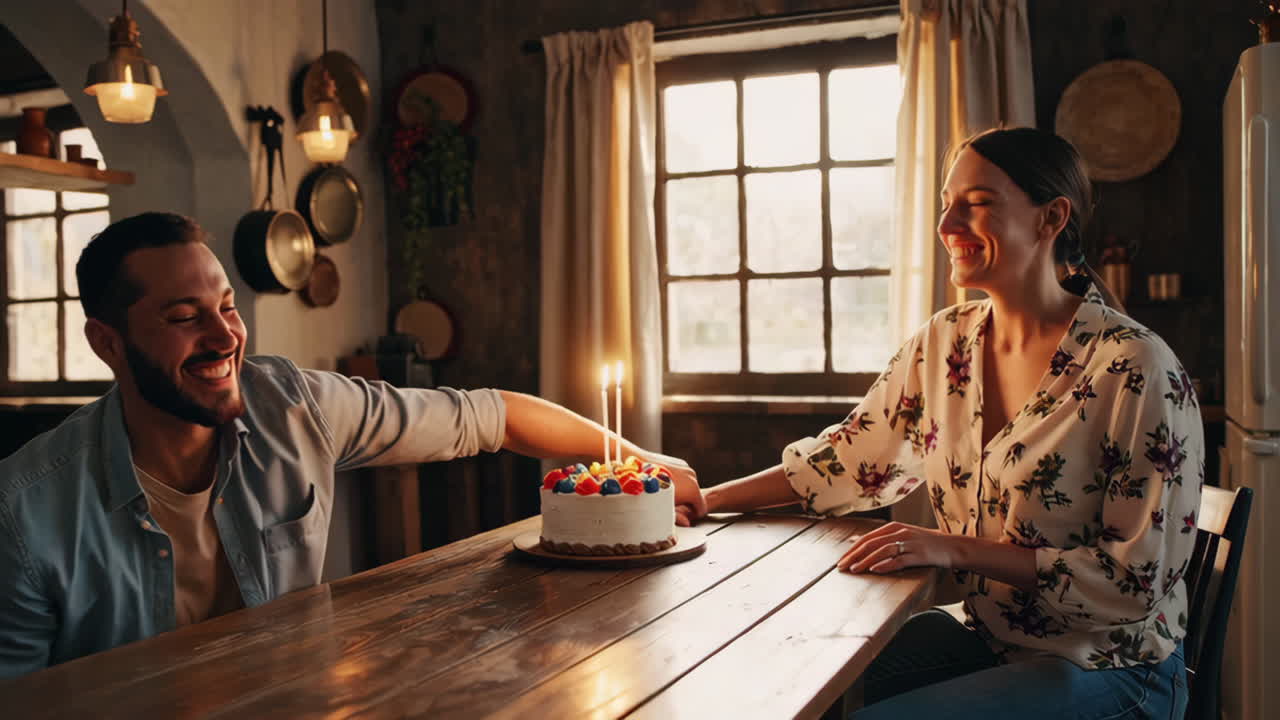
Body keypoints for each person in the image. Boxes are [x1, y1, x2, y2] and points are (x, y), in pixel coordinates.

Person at [0, 212, 704, 679]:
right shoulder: (21, 514)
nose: (222, 339)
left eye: (227, 308)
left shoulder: (295, 404)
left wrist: (644, 460)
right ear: (108, 343)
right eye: (184, 318)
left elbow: (493, 417)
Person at [677, 128, 1200, 719]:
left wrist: (954, 550)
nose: (948, 224)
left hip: (1111, 668)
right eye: (945, 203)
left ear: (1051, 217)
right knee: (792, 675)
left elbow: (1134, 581)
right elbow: (850, 461)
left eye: (976, 204)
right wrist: (707, 500)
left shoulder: (1134, 366)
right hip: (993, 643)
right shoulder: (946, 341)